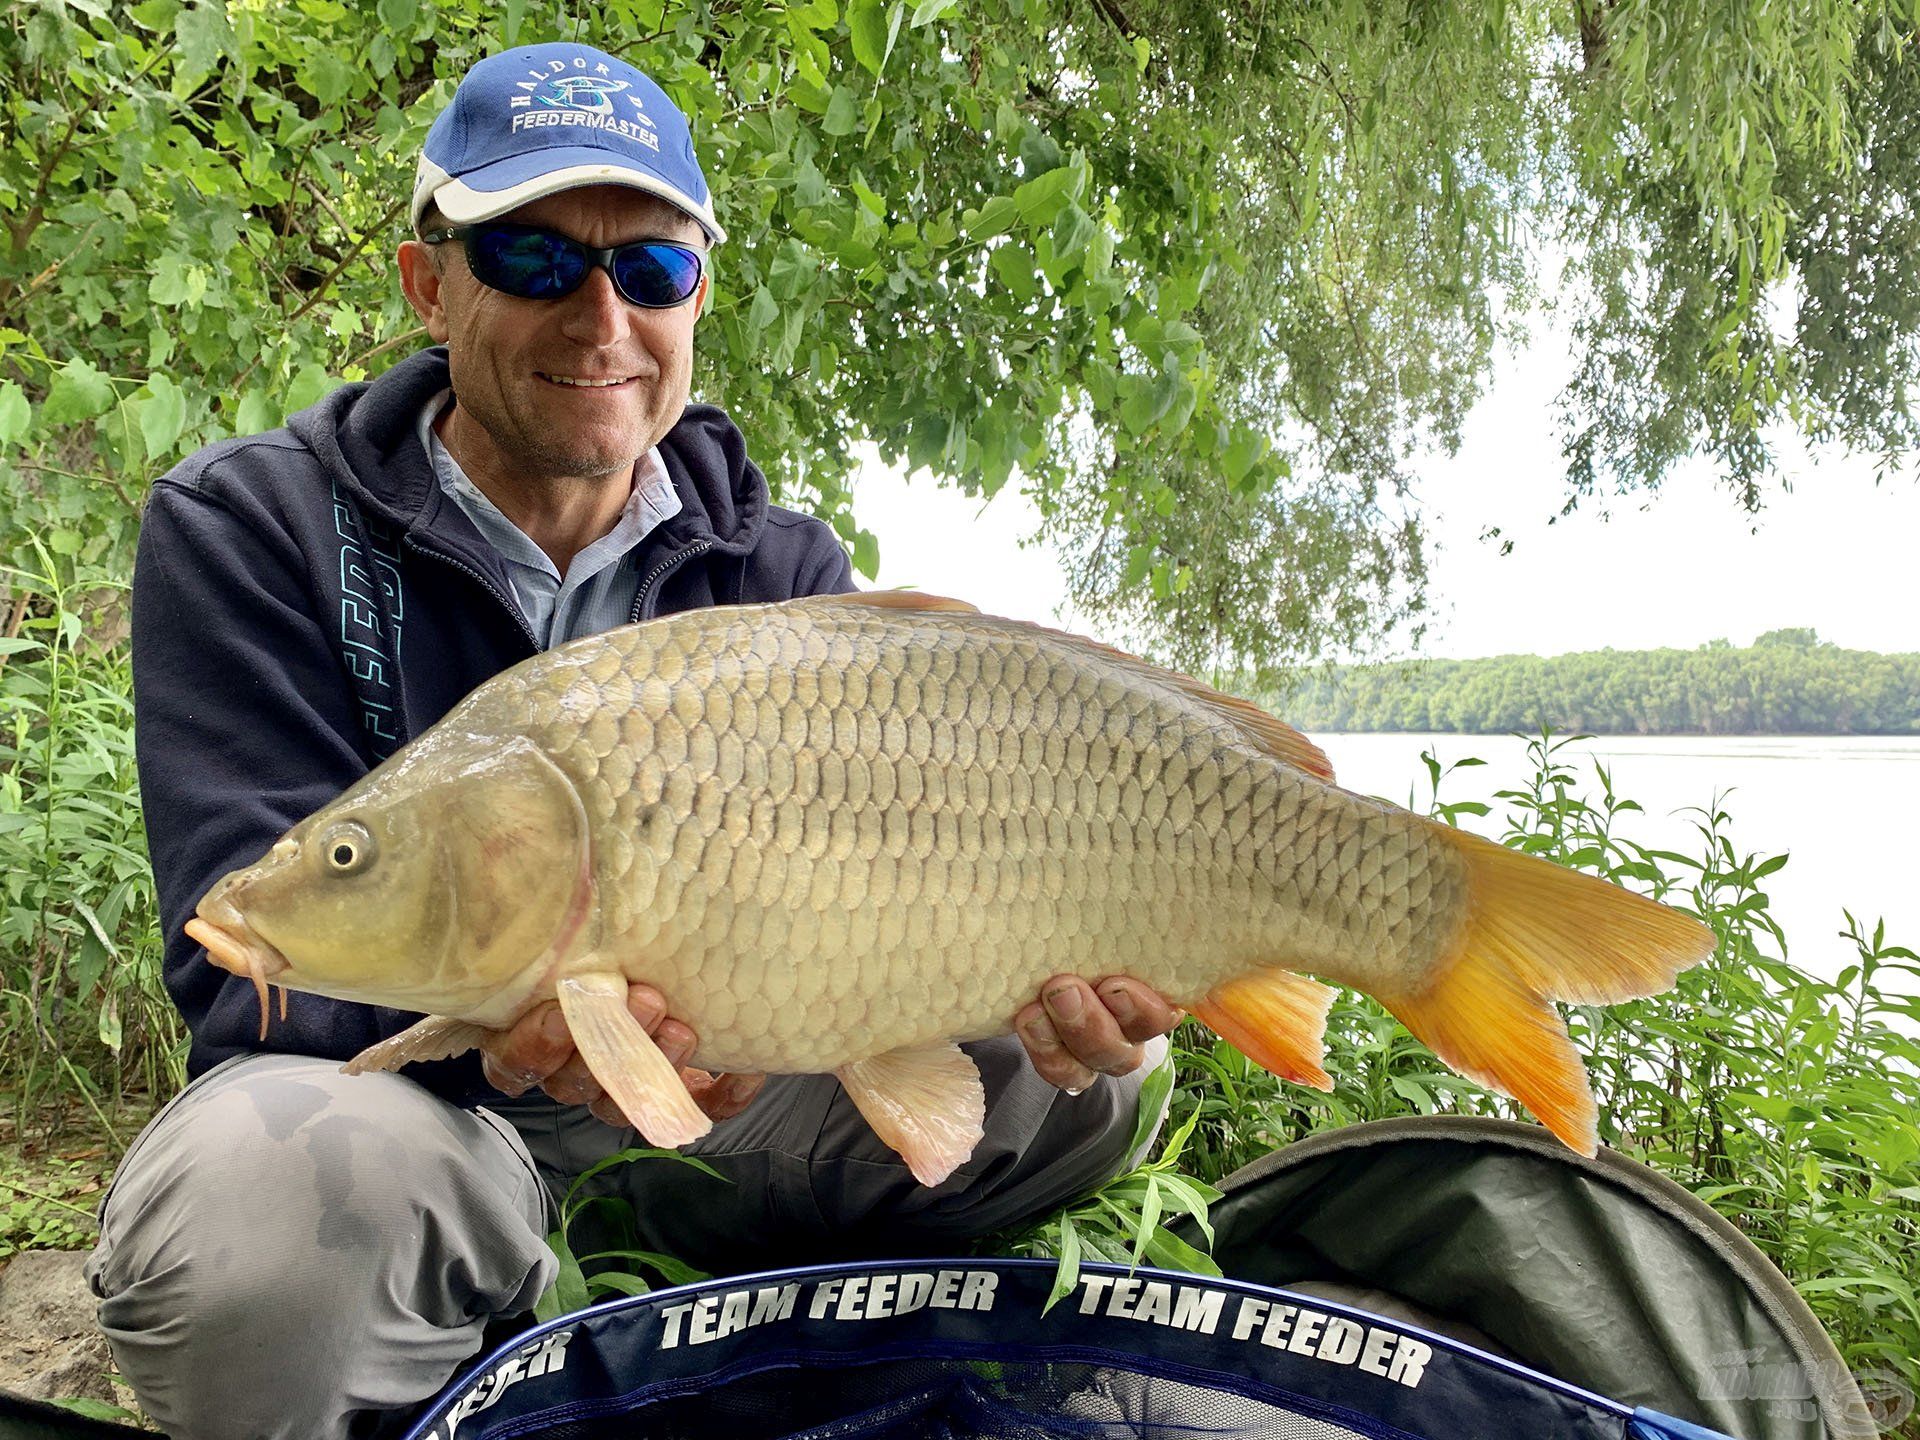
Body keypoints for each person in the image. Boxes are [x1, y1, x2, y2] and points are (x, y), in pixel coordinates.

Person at [84, 41, 1182, 1440]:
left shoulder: (781, 565)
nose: (600, 316)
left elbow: (880, 919)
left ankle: (694, 1309)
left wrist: (848, 1008)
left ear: (697, 299)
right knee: (247, 1226)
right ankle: (489, 1283)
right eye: (536, 260)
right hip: (408, 1114)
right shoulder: (253, 528)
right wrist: (503, 1032)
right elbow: (246, 971)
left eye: (649, 270)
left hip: (725, 1104)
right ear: (432, 285)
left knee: (1093, 1081)